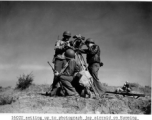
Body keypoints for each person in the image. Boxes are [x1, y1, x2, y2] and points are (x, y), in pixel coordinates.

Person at [47, 31, 72, 95]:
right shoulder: (59, 41)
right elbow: (55, 48)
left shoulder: (69, 42)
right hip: (59, 58)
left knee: (65, 75)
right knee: (56, 75)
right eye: (66, 36)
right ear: (64, 36)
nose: (67, 38)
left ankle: (63, 90)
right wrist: (63, 46)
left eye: (68, 37)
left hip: (66, 59)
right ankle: (54, 90)